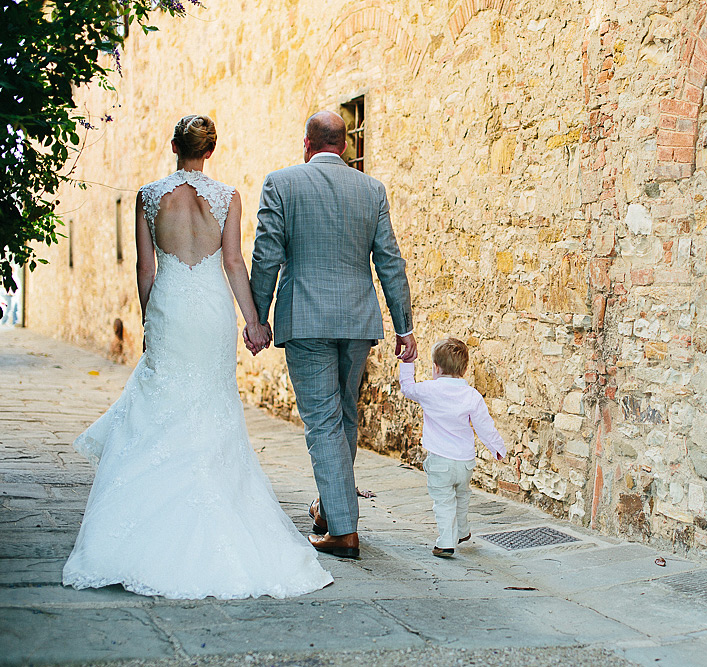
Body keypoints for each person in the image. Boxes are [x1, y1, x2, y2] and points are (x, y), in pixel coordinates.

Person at [62, 116, 333, 599]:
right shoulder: (227, 197)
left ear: (174, 146)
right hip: (210, 312)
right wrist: (254, 320)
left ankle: (140, 531)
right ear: (210, 150)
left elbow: (147, 268)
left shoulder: (148, 196)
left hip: (170, 306)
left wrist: (151, 320)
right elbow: (233, 263)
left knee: (159, 402)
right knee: (211, 405)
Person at [250, 111, 416, 560]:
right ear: (344, 146)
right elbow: (390, 261)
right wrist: (405, 326)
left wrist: (257, 317)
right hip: (358, 321)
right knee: (343, 415)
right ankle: (329, 507)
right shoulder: (371, 189)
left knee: (323, 421)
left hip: (305, 317)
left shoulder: (281, 184)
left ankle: (343, 531)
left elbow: (267, 255)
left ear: (306, 144)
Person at [399, 338, 506, 557]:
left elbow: (407, 388)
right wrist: (497, 447)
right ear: (465, 369)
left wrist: (408, 362)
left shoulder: (429, 390)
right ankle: (462, 531)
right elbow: (484, 426)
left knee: (444, 501)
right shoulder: (472, 395)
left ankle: (446, 542)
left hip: (440, 461)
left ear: (436, 367)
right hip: (465, 462)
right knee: (462, 496)